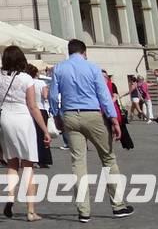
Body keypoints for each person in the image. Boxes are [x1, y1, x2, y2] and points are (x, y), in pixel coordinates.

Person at [51, 39, 134, 223]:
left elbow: (52, 95)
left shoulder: (58, 69)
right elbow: (103, 95)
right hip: (93, 115)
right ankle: (118, 205)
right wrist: (114, 120)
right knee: (108, 158)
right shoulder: (93, 68)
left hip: (70, 116)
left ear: (69, 51)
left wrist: (57, 116)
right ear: (84, 52)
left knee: (78, 163)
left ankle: (83, 211)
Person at [0, 46, 48, 221]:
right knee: (28, 166)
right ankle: (31, 211)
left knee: (12, 163)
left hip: (6, 119)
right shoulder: (26, 79)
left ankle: (10, 196)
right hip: (23, 119)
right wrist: (45, 129)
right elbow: (33, 107)